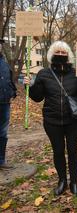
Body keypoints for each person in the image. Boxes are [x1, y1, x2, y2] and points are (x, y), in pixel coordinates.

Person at [23, 41, 77, 197]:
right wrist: (29, 86)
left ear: (68, 55)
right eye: (58, 52)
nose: (61, 55)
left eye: (64, 53)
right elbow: (37, 97)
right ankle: (62, 180)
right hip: (52, 120)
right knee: (58, 151)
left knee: (72, 151)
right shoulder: (44, 73)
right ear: (51, 54)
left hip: (73, 121)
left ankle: (74, 181)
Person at [0, 38, 17, 169]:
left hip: (5, 103)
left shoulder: (4, 64)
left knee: (3, 133)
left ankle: (1, 160)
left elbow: (9, 80)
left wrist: (13, 92)